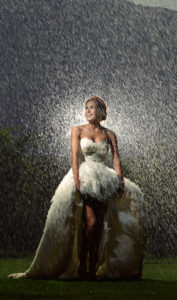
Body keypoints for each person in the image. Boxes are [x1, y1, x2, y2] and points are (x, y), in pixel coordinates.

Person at [8, 96, 147, 280]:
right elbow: (74, 157)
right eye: (86, 107)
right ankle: (81, 264)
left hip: (105, 180)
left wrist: (120, 181)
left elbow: (115, 159)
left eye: (92, 108)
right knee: (89, 223)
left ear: (101, 111)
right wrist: (77, 179)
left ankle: (92, 267)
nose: (88, 111)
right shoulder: (78, 130)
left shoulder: (109, 134)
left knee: (100, 226)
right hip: (86, 176)